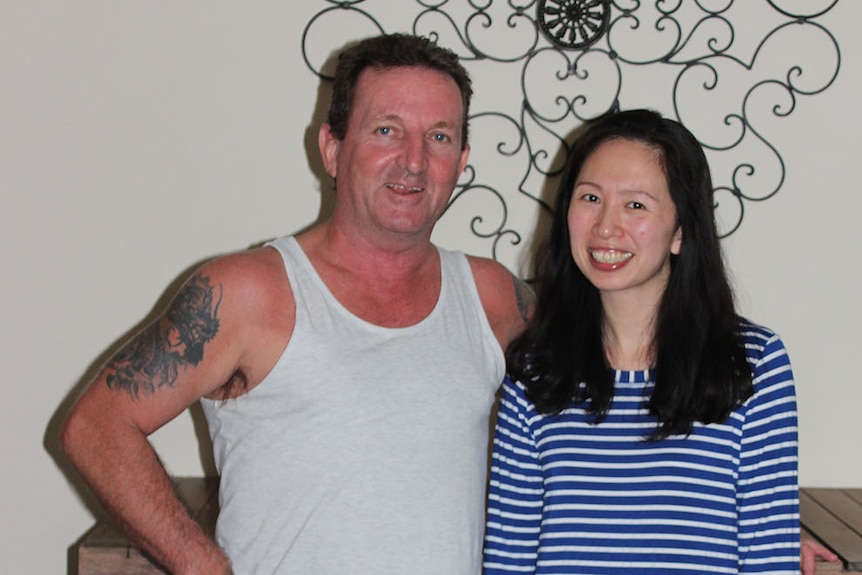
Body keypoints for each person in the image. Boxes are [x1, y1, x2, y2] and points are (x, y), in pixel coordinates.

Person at [61, 33, 532, 575]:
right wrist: (202, 567)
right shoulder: (247, 292)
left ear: (462, 159)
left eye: (440, 137)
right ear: (332, 148)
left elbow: (604, 371)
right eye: (387, 131)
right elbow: (97, 427)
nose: (414, 161)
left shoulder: (492, 297)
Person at [482, 109, 806, 574]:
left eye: (636, 205)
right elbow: (507, 561)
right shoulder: (535, 371)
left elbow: (769, 559)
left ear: (680, 231)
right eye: (590, 197)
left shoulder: (751, 363)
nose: (606, 226)